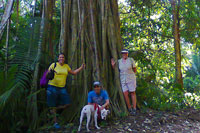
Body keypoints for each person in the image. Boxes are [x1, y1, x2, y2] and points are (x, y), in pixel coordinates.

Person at [47, 53, 85, 129]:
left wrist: (81, 67)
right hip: (52, 87)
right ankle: (55, 122)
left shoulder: (66, 66)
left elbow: (73, 73)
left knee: (67, 103)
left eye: (63, 57)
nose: (61, 58)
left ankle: (54, 110)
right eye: (60, 57)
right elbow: (47, 74)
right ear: (58, 58)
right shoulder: (53, 65)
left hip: (62, 88)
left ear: (64, 59)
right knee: (53, 104)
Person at [111, 49, 137, 115]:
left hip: (131, 78)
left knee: (132, 93)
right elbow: (116, 70)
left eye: (125, 53)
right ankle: (129, 108)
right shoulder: (119, 61)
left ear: (127, 54)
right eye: (123, 53)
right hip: (123, 79)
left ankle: (134, 108)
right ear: (121, 54)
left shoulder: (131, 60)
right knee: (125, 93)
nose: (124, 54)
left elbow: (135, 70)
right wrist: (113, 65)